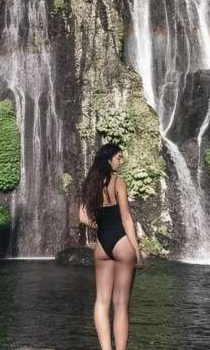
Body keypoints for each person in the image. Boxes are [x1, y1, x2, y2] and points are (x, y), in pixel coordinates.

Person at [78, 144, 142, 350]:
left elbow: (82, 217)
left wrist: (100, 225)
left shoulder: (90, 184)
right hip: (121, 242)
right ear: (109, 159)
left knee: (102, 301)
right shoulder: (118, 182)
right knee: (121, 304)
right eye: (118, 157)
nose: (120, 161)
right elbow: (126, 219)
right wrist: (137, 251)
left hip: (102, 245)